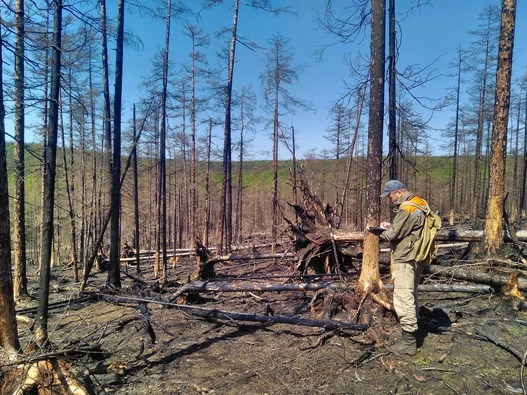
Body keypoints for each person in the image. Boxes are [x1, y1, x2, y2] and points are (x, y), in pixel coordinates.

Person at [368, 179, 427, 356]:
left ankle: (409, 342)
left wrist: (377, 231)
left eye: (391, 195)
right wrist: (391, 227)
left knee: (403, 295)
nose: (390, 199)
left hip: (406, 256)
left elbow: (393, 235)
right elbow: (407, 228)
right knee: (412, 292)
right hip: (418, 254)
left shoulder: (407, 208)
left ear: (399, 193)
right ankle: (413, 329)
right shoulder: (419, 202)